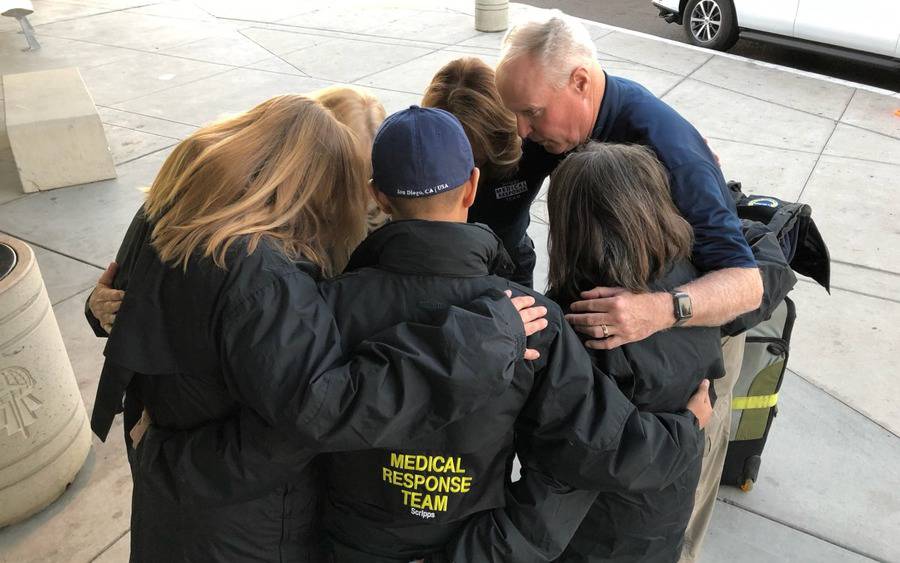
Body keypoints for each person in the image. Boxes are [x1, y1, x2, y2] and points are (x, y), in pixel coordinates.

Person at [84, 94, 545, 562]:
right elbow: (323, 414)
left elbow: (133, 312)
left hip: (176, 509)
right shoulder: (263, 274)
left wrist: (97, 310)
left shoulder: (173, 208)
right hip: (245, 523)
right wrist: (477, 346)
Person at [316, 106, 712, 562]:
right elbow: (595, 451)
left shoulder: (326, 305)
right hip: (480, 546)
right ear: (472, 186)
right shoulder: (530, 320)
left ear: (379, 197)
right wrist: (686, 428)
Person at [493, 13, 764, 559]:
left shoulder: (670, 147)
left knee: (667, 498)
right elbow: (505, 213)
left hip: (686, 341)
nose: (523, 130)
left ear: (580, 83)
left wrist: (660, 311)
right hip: (611, 331)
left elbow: (747, 284)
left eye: (530, 113)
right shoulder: (558, 125)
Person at [546, 142, 725, 562]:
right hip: (663, 513)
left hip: (595, 531)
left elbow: (594, 452)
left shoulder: (582, 321)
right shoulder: (694, 289)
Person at [421, 57, 544, 287]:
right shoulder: (424, 152)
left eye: (476, 156)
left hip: (513, 266)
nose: (469, 166)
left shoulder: (532, 144)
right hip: (449, 271)